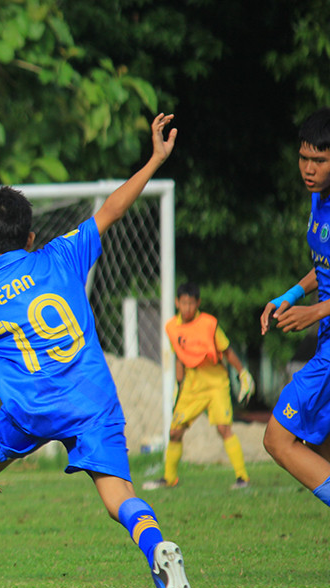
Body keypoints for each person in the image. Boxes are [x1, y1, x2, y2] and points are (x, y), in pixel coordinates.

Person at [0, 114, 194, 588]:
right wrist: (154, 159)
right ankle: (156, 548)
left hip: (32, 410)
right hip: (92, 399)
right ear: (31, 235)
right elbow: (112, 208)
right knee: (117, 494)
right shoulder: (62, 255)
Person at [259, 107, 330, 508]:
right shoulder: (318, 199)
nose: (308, 168)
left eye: (319, 160)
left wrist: (315, 312)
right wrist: (290, 296)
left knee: (278, 438)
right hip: (326, 340)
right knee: (321, 448)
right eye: (303, 158)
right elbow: (324, 267)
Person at [143, 282, 255, 491]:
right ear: (177, 303)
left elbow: (227, 350)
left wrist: (242, 373)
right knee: (175, 432)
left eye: (191, 303)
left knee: (223, 429)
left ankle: (242, 477)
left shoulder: (209, 324)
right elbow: (179, 356)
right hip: (192, 385)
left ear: (198, 303)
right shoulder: (171, 327)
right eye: (183, 303)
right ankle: (169, 478)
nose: (187, 307)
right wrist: (178, 385)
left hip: (215, 382)